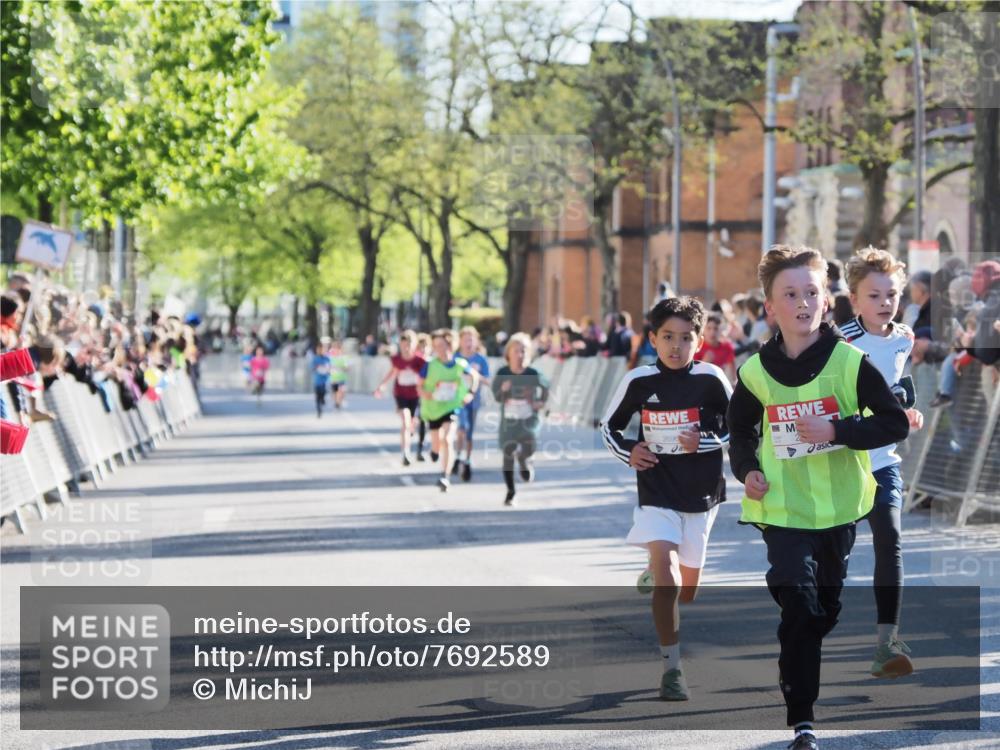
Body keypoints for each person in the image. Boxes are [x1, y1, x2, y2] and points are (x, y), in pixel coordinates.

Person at [727, 245, 909, 750]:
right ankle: (803, 721)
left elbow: (893, 422)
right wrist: (747, 469)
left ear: (827, 301)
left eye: (812, 291)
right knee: (801, 608)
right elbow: (739, 430)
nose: (804, 302)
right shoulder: (755, 372)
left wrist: (837, 428)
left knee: (821, 613)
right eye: (791, 294)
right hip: (782, 511)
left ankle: (800, 625)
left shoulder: (850, 363)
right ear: (770, 307)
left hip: (838, 511)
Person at [601, 296, 732, 702]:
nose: (676, 346)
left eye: (686, 338)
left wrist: (706, 439)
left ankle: (656, 570)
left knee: (687, 589)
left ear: (700, 341)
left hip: (702, 494)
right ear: (653, 340)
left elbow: (740, 429)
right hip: (656, 490)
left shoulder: (711, 379)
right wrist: (630, 452)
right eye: (667, 337)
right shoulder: (639, 380)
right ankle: (672, 668)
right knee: (668, 578)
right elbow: (609, 427)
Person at [841, 247, 924, 680]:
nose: (884, 303)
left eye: (891, 294)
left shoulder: (903, 338)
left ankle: (886, 641)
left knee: (890, 541)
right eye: (873, 296)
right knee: (835, 553)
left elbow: (896, 391)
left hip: (882, 461)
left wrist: (907, 413)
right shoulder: (840, 342)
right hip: (841, 462)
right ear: (854, 300)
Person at [491, 333, 550, 506]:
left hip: (528, 420)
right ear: (508, 353)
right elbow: (496, 397)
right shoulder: (503, 373)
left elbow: (546, 387)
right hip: (509, 421)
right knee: (508, 453)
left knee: (529, 446)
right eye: (516, 351)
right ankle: (511, 492)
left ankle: (524, 460)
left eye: (523, 351)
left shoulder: (534, 373)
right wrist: (503, 390)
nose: (520, 355)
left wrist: (540, 402)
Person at [419, 329, 478, 491]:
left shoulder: (460, 365)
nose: (439, 349)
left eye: (442, 345)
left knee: (448, 438)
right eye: (436, 346)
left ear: (450, 346)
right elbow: (419, 386)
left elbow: (474, 377)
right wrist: (427, 394)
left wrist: (470, 394)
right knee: (437, 442)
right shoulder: (429, 365)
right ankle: (434, 450)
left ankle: (445, 476)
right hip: (432, 409)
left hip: (451, 407)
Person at [374, 330, 427, 465]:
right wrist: (382, 385)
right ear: (400, 345)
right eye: (403, 345)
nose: (406, 348)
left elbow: (426, 377)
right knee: (405, 419)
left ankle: (411, 429)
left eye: (409, 345)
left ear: (414, 345)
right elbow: (393, 372)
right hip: (401, 394)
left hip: (415, 395)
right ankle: (406, 453)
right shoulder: (397, 359)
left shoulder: (420, 360)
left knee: (412, 422)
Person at [453, 326, 491, 481]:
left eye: (471, 340)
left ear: (476, 342)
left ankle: (467, 461)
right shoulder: (455, 358)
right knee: (461, 428)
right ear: (460, 342)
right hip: (458, 400)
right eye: (465, 339)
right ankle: (457, 455)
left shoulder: (480, 359)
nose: (468, 343)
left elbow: (487, 380)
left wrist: (476, 376)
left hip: (474, 400)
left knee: (469, 433)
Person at [694, 312, 736, 383]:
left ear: (720, 330)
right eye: (709, 328)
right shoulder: (697, 347)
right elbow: (694, 377)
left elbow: (733, 376)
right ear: (703, 330)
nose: (712, 332)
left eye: (716, 328)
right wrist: (704, 362)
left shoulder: (727, 347)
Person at [312, 340, 332, 418]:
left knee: (323, 393)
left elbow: (329, 368)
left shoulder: (327, 359)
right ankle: (318, 410)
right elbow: (313, 368)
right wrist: (318, 367)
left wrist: (327, 370)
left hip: (325, 380)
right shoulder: (315, 359)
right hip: (317, 380)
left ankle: (323, 400)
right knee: (317, 396)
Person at [329, 340, 348, 409]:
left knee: (341, 391)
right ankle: (336, 402)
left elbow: (347, 367)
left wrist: (342, 368)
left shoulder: (343, 357)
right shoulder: (331, 356)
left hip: (342, 377)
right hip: (334, 377)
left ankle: (338, 402)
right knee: (335, 391)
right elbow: (328, 366)